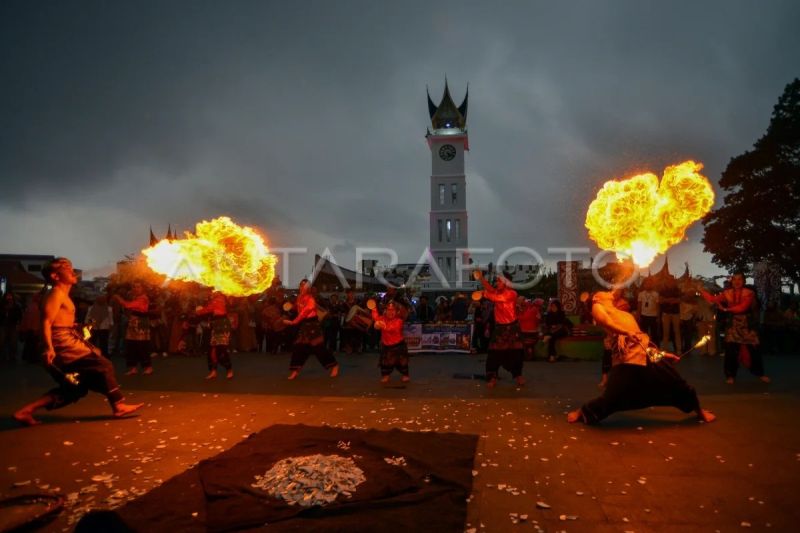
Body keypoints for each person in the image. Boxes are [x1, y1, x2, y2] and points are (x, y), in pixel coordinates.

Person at [13, 258, 143, 426]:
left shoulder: (62, 295)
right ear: (55, 276)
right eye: (66, 268)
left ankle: (26, 411)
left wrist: (75, 326)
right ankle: (118, 405)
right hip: (62, 344)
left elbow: (58, 321)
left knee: (75, 389)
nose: (72, 271)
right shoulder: (56, 294)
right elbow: (46, 322)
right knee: (102, 365)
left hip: (65, 339)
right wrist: (48, 348)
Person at [567, 290, 715, 425]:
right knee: (611, 398)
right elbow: (607, 322)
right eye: (605, 291)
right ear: (597, 298)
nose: (610, 291)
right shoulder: (598, 306)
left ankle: (699, 410)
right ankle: (583, 411)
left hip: (645, 355)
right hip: (627, 359)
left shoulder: (625, 314)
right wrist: (625, 332)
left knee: (677, 382)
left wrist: (662, 354)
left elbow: (642, 343)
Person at [700, 272, 770, 384]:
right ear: (731, 281)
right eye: (734, 279)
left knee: (754, 349)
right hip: (733, 325)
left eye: (739, 279)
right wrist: (700, 290)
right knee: (731, 350)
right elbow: (713, 299)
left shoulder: (749, 293)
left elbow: (742, 308)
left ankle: (760, 373)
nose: (737, 282)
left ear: (744, 281)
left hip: (747, 324)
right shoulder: (727, 293)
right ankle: (730, 375)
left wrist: (726, 310)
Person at [474, 271, 525, 388]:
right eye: (497, 280)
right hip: (500, 328)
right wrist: (481, 278)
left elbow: (498, 298)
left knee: (516, 354)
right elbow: (489, 288)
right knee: (494, 354)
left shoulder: (512, 293)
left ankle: (518, 375)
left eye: (499, 280)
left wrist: (483, 293)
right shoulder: (496, 291)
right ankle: (492, 377)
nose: (497, 282)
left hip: (512, 328)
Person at [286, 279, 339, 380]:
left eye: (304, 286)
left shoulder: (311, 299)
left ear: (308, 288)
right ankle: (295, 370)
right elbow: (298, 309)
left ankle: (334, 365)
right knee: (299, 347)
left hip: (313, 325)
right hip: (304, 326)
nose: (302, 287)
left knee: (319, 348)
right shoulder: (299, 298)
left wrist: (294, 322)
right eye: (301, 285)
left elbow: (304, 313)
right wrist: (291, 307)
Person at [113, 282, 153, 375]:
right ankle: (133, 368)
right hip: (133, 325)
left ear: (143, 289)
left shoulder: (143, 298)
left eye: (138, 287)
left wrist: (118, 297)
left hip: (141, 325)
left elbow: (127, 305)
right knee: (131, 346)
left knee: (142, 346)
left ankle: (148, 367)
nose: (136, 289)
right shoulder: (135, 297)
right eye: (134, 287)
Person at [195, 291, 234, 379]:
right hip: (215, 328)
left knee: (221, 350)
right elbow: (209, 311)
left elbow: (208, 309)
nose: (211, 293)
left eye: (213, 291)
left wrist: (199, 311)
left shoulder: (220, 299)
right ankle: (213, 371)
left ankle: (229, 369)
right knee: (211, 351)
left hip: (222, 327)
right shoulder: (213, 300)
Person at [370, 299, 410, 383]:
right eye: (388, 310)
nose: (390, 312)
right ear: (385, 311)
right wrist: (373, 309)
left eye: (392, 310)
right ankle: (386, 375)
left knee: (402, 363)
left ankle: (405, 375)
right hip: (386, 345)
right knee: (385, 363)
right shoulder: (383, 318)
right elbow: (376, 317)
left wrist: (381, 325)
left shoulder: (399, 321)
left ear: (396, 312)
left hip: (398, 346)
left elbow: (391, 328)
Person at [659, 278, 682, 352]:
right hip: (666, 313)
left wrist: (667, 300)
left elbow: (680, 300)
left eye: (672, 281)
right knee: (666, 332)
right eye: (669, 280)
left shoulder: (677, 290)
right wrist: (671, 300)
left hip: (676, 313)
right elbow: (660, 301)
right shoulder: (663, 290)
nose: (670, 282)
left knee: (677, 331)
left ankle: (679, 349)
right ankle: (665, 349)